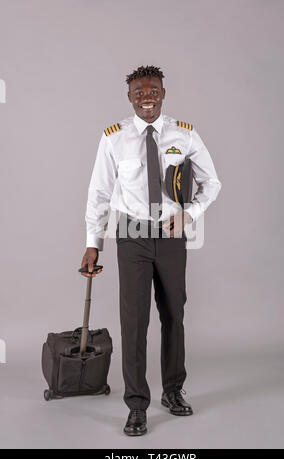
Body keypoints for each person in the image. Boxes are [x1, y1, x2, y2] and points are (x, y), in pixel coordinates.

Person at [80, 65, 221, 436]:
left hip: (171, 237)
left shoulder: (184, 135)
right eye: (139, 91)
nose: (147, 96)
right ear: (130, 98)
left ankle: (173, 391)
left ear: (163, 93)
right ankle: (136, 405)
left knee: (174, 313)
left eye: (153, 89)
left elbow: (213, 182)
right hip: (131, 236)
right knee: (134, 321)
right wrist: (93, 244)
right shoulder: (114, 138)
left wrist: (190, 215)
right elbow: (99, 193)